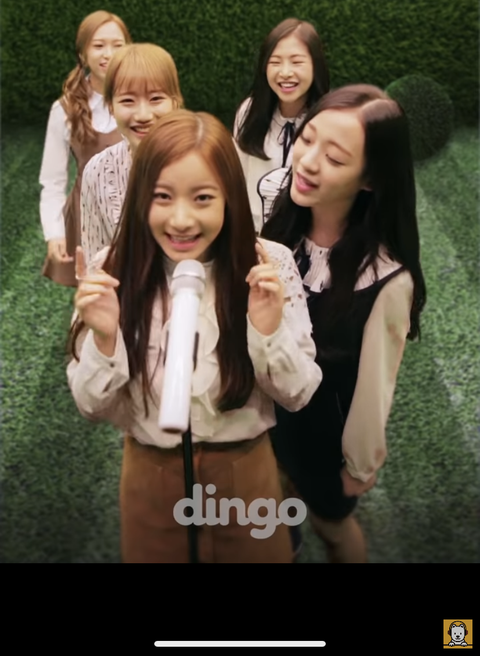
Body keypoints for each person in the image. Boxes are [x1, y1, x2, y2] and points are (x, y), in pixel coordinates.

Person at [68, 111, 322, 564]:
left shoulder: (271, 264)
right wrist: (105, 339)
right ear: (140, 197)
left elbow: (298, 393)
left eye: (203, 198)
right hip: (151, 477)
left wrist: (267, 330)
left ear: (229, 198)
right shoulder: (112, 269)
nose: (181, 220)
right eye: (162, 197)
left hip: (246, 476)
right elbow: (91, 405)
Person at [262, 85, 426, 564]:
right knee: (273, 504)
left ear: (371, 179)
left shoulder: (387, 279)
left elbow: (376, 387)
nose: (308, 162)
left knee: (332, 527)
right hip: (268, 417)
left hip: (322, 437)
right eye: (307, 139)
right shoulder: (281, 228)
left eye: (334, 158)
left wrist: (359, 464)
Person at [39, 10, 131, 287]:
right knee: (94, 293)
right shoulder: (63, 110)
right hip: (86, 216)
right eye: (98, 45)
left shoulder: (143, 101)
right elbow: (53, 181)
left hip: (134, 211)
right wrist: (54, 232)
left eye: (117, 45)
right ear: (82, 54)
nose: (108, 54)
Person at [81, 43, 183, 269]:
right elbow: (94, 260)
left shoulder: (204, 163)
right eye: (127, 101)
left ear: (175, 102)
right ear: (110, 106)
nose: (143, 115)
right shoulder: (97, 171)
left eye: (156, 99)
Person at [233, 18, 329, 234]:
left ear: (316, 65)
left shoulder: (327, 119)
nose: (285, 72)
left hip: (305, 237)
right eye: (275, 62)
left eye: (296, 62)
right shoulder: (249, 111)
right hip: (254, 235)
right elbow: (237, 177)